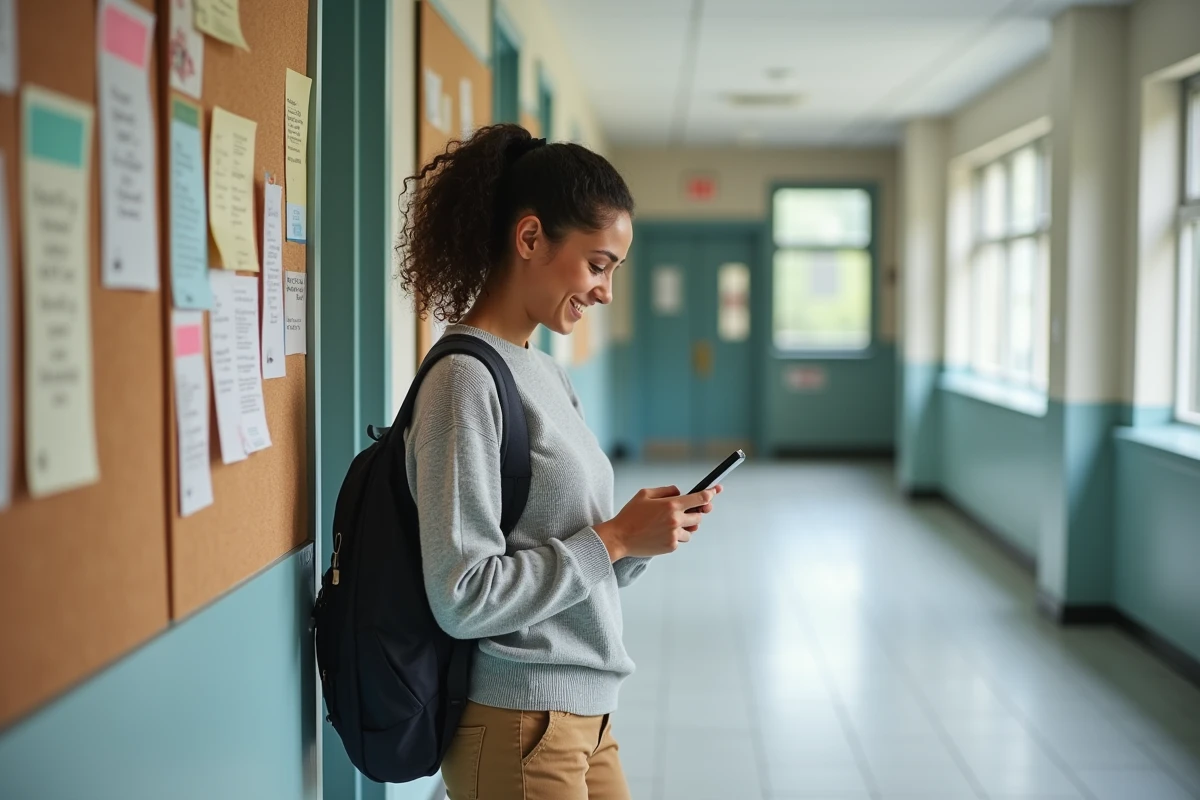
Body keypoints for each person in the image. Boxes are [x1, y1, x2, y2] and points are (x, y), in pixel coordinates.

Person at [396, 123, 721, 800]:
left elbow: (565, 553)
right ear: (530, 238)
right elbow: (463, 595)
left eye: (614, 271)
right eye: (598, 264)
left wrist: (638, 542)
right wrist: (615, 538)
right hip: (521, 724)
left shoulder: (543, 371)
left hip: (585, 713)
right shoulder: (463, 382)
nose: (605, 291)